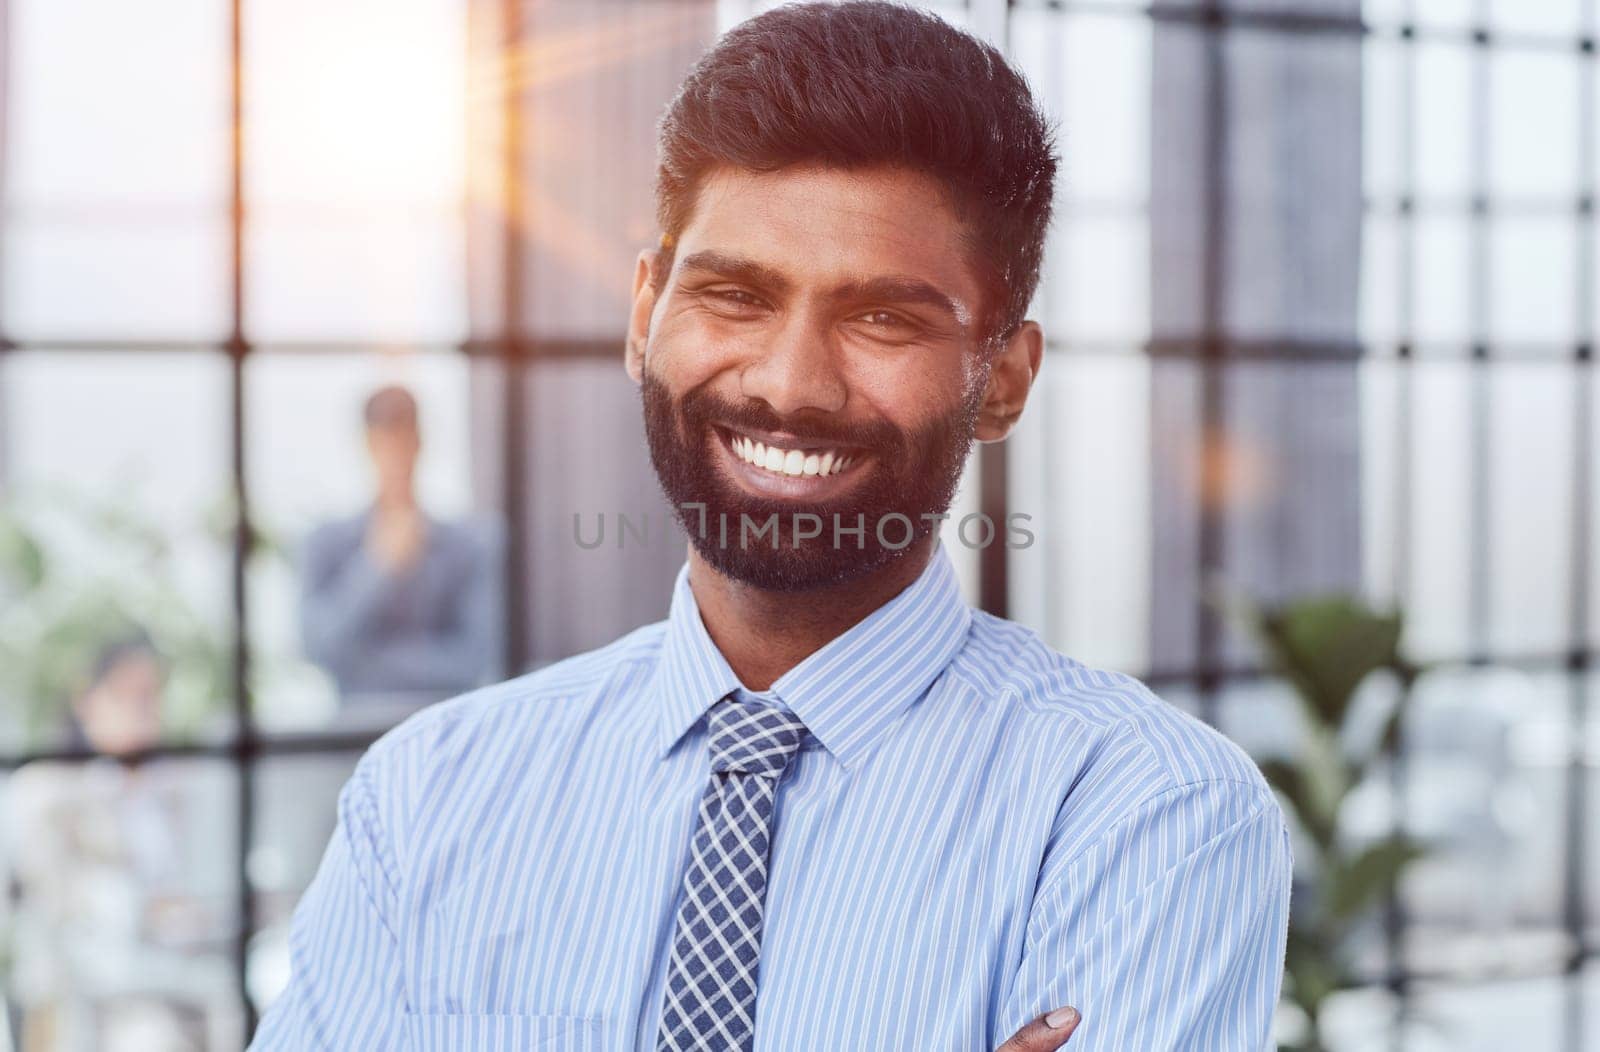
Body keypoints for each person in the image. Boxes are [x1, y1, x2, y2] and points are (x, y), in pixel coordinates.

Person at [251, 4, 1291, 1049]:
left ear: (1004, 380)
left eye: (883, 317)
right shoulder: (427, 798)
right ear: (643, 312)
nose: (791, 386)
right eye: (736, 295)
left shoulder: (1147, 818)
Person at [4, 632, 235, 1052]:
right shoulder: (48, 792)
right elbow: (58, 910)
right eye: (126, 696)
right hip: (100, 995)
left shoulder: (178, 789)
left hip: (192, 969)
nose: (141, 712)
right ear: (88, 700)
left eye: (151, 697)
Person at [298, 385, 496, 704]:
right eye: (384, 445)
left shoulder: (469, 545)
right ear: (366, 446)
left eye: (404, 444)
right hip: (350, 737)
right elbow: (316, 648)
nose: (396, 460)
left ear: (420, 443)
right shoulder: (326, 542)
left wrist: (367, 664)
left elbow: (477, 659)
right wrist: (377, 567)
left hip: (441, 727)